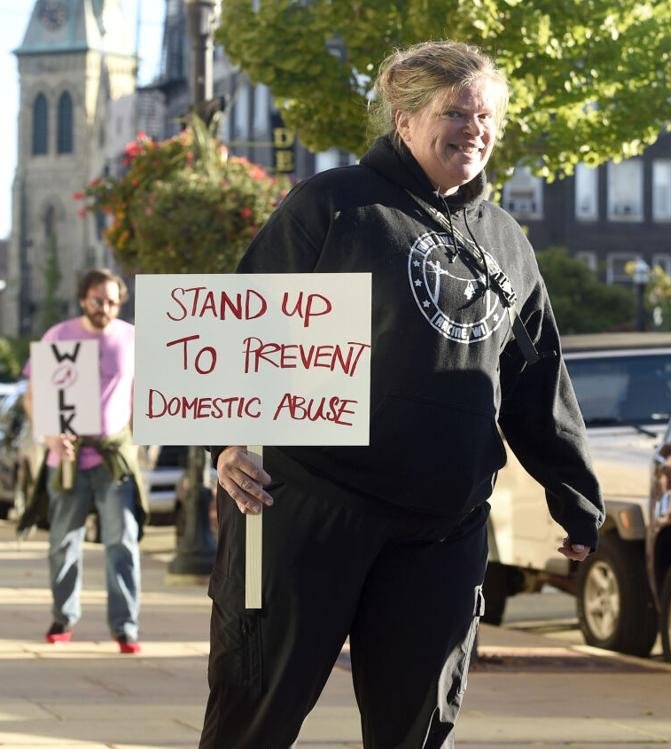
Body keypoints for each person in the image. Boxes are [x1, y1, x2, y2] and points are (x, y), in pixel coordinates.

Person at [200, 41, 603, 749]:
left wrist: (574, 491)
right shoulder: (332, 206)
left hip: (441, 530)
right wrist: (228, 438)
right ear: (405, 117)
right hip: (304, 510)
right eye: (455, 112)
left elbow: (538, 378)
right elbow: (235, 323)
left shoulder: (506, 241)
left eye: (485, 116)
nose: (473, 128)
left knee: (417, 732)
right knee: (252, 718)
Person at [24, 269, 146, 654]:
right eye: (97, 300)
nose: (104, 308)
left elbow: (145, 394)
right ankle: (63, 616)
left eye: (112, 301)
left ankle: (125, 627)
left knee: (122, 542)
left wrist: (140, 438)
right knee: (63, 541)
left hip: (113, 456)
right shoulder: (59, 336)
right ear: (83, 299)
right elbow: (33, 394)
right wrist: (50, 435)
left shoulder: (131, 338)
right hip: (67, 457)